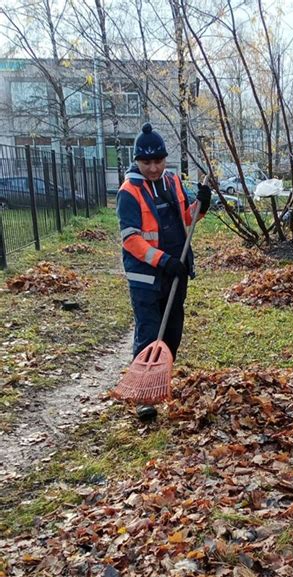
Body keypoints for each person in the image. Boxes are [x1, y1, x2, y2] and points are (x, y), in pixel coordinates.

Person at [117, 123, 211, 421]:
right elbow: (131, 239)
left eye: (158, 161)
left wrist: (202, 204)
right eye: (147, 162)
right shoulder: (129, 192)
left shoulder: (171, 182)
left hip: (176, 270)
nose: (154, 167)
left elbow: (187, 215)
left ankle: (162, 381)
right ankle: (144, 396)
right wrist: (162, 260)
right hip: (147, 276)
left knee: (171, 330)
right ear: (137, 161)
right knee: (149, 330)